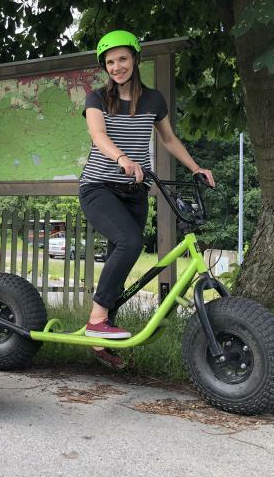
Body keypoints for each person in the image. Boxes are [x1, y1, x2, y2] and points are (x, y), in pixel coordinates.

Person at [79, 30, 214, 369]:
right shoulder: (97, 98)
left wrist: (196, 167)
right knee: (130, 242)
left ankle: (102, 337)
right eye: (110, 62)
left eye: (122, 59)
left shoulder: (153, 100)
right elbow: (98, 135)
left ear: (135, 59)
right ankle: (97, 322)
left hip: (136, 192)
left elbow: (168, 139)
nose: (116, 66)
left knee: (119, 261)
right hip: (99, 187)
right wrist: (123, 159)